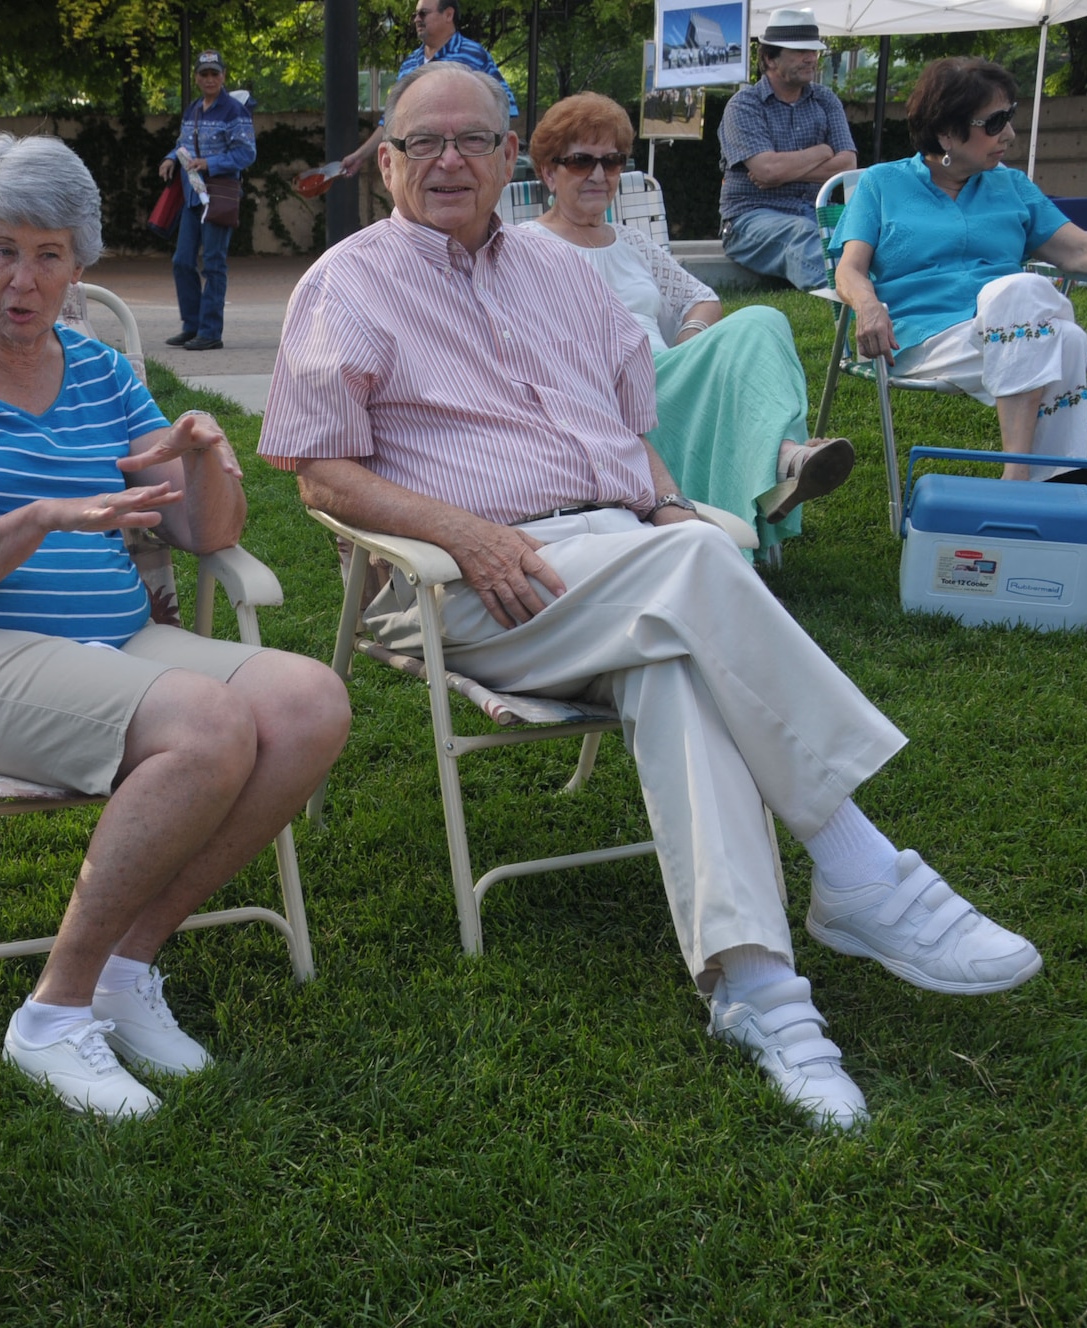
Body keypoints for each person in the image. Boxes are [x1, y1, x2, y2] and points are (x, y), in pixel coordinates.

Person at [260, 63, 1044, 1131]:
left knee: (676, 651)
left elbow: (626, 432)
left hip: (617, 565)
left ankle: (759, 990)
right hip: (469, 582)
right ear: (387, 160)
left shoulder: (565, 274)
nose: (448, 160)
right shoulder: (344, 283)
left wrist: (667, 501)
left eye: (471, 141)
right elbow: (318, 472)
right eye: (422, 142)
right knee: (695, 571)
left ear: (504, 161)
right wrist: (464, 532)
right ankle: (860, 867)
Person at [0, 132, 351, 1121]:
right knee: (207, 725)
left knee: (307, 701)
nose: (22, 279)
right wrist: (37, 517)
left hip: (114, 643)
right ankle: (51, 1010)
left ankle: (126, 963)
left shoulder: (103, 371)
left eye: (48, 254)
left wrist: (205, 455)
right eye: (1, 248)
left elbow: (204, 534)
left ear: (79, 264)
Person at [524, 93, 853, 548]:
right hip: (603, 394)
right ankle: (784, 464)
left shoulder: (632, 243)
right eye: (581, 161)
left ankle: (783, 460)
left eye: (612, 162)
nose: (599, 175)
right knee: (758, 323)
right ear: (548, 172)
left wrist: (688, 341)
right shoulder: (525, 245)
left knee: (764, 319)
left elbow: (701, 298)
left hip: (666, 377)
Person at [833, 57, 1087, 480]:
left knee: (1062, 336)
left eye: (1010, 117)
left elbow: (1078, 247)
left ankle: (1045, 490)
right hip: (920, 338)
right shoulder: (881, 184)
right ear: (947, 132)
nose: (1008, 132)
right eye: (994, 122)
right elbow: (849, 270)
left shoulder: (1011, 185)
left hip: (1012, 333)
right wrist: (867, 303)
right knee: (1042, 316)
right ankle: (1022, 478)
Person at [717, 9, 856, 291]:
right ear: (769, 58)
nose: (811, 58)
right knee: (801, 234)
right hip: (749, 221)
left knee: (875, 229)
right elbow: (767, 170)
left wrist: (781, 172)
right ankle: (852, 299)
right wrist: (822, 151)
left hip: (816, 212)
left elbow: (847, 166)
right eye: (799, 51)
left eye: (814, 50)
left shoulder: (825, 99)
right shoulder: (744, 105)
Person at [340, 0, 520, 178]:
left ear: (448, 15)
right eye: (415, 14)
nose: (417, 19)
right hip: (419, 169)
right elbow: (390, 121)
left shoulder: (472, 54)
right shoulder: (411, 63)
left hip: (461, 167)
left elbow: (505, 108)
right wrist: (359, 156)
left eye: (423, 13)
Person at [157, 49, 256, 352]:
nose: (210, 79)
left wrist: (209, 163)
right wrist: (171, 158)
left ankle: (211, 331)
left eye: (215, 73)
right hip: (192, 196)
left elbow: (246, 153)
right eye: (204, 74)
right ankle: (192, 326)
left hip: (220, 196)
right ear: (197, 78)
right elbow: (182, 144)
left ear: (223, 76)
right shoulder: (194, 109)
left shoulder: (234, 111)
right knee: (182, 261)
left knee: (213, 263)